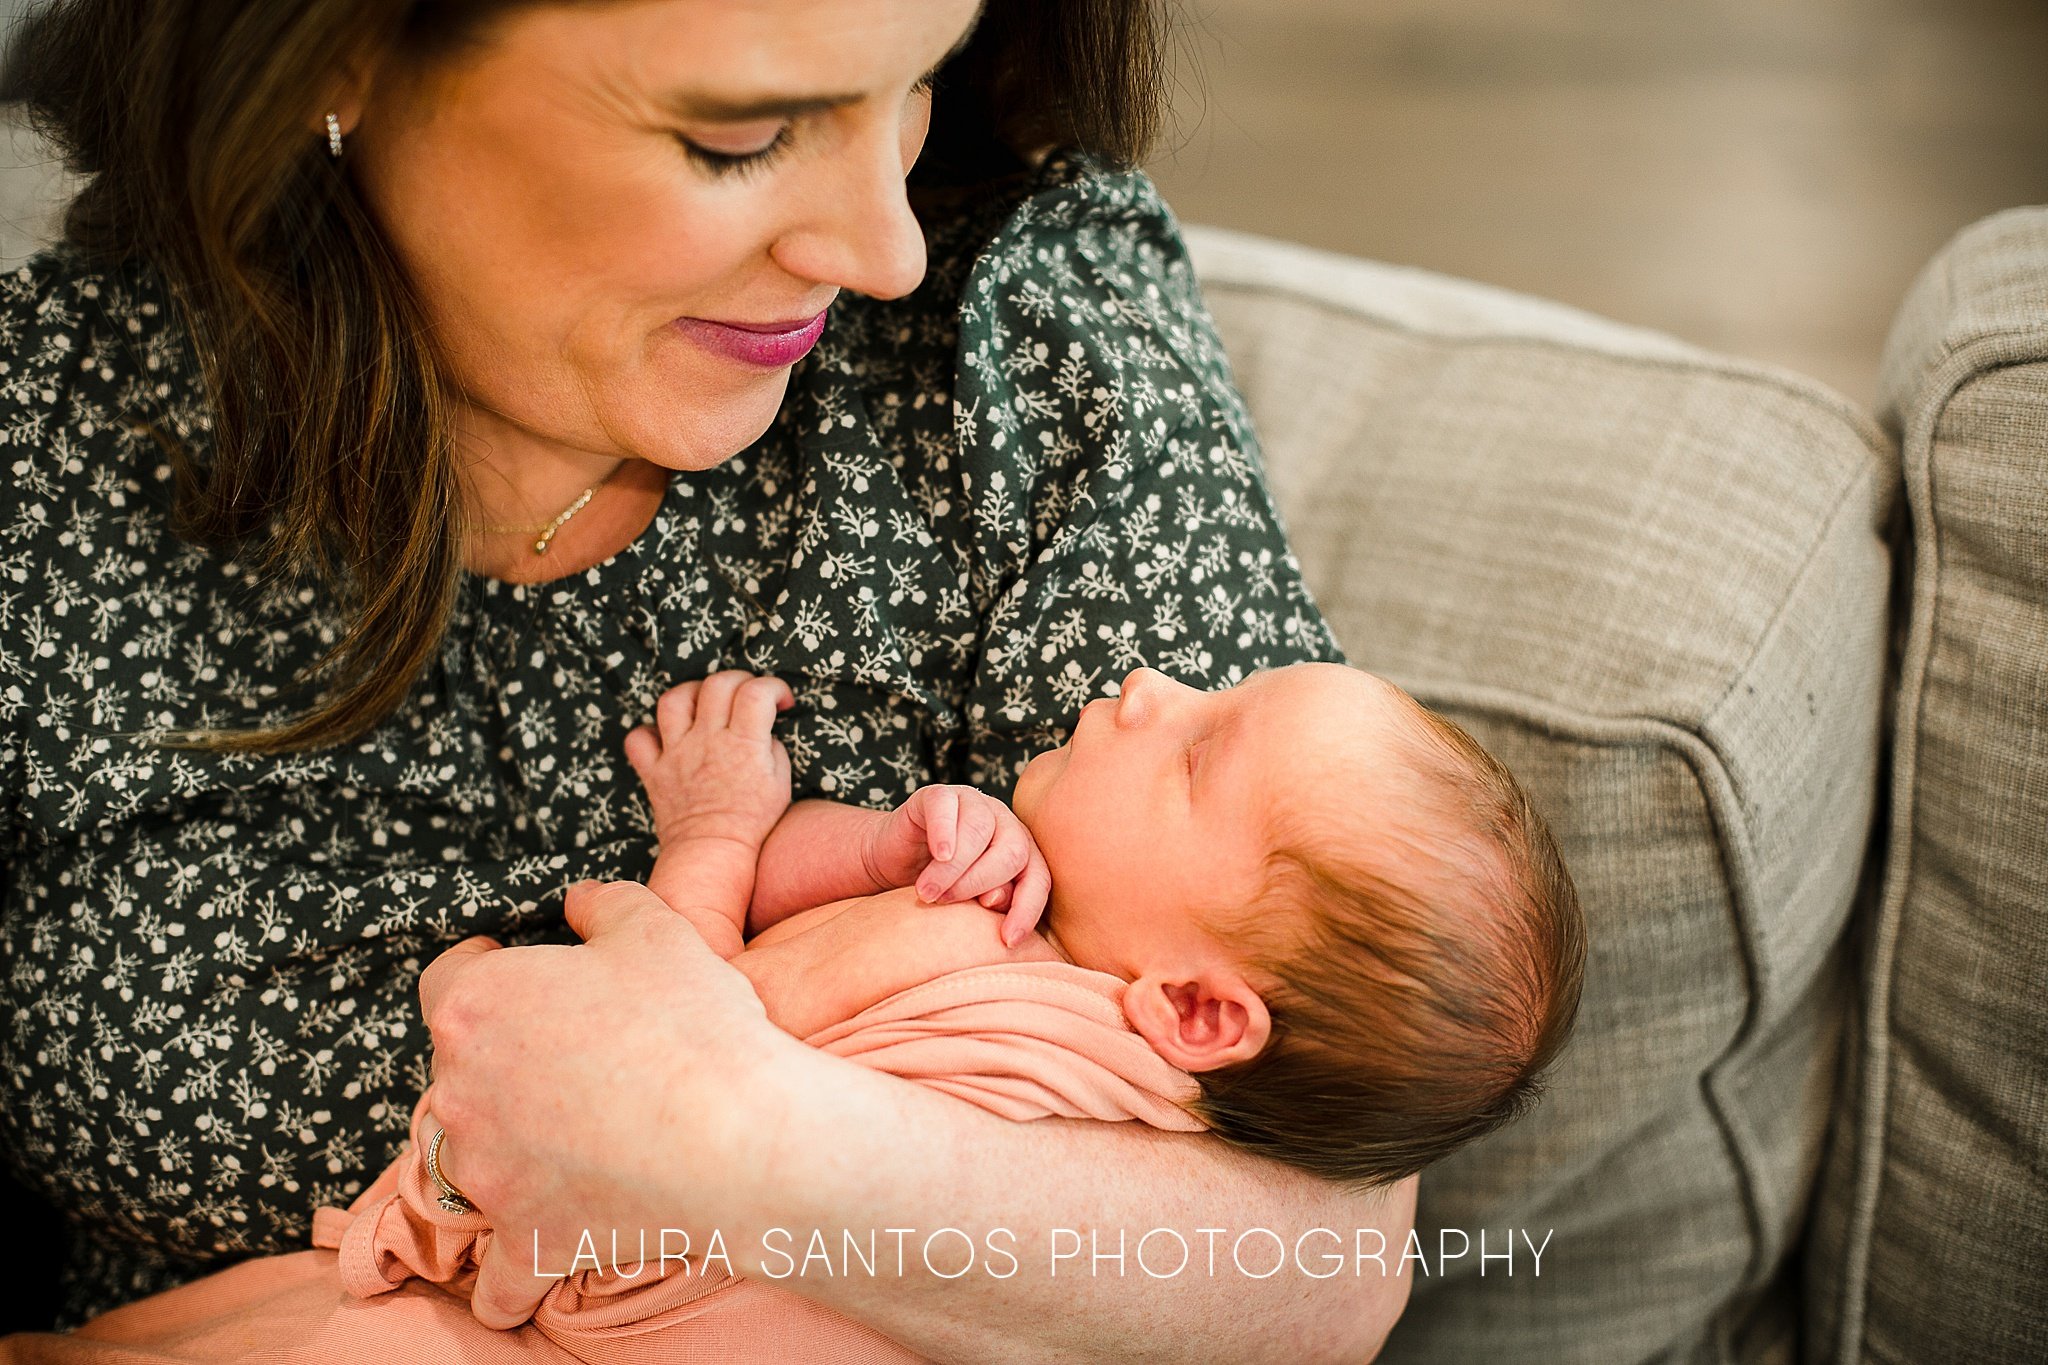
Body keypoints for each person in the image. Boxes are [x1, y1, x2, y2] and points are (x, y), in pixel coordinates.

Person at [0, 0, 1418, 1358]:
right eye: (742, 137)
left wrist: (718, 1133)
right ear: (340, 47)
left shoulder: (1014, 324)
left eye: (914, 78)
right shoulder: (46, 457)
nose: (885, 247)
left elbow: (1323, 1259)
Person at [0, 659, 1574, 1365]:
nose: (1150, 683)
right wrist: (893, 844)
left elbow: (667, 1022)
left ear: (1206, 1014)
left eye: (1195, 751)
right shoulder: (1058, 971)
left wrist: (712, 831)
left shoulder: (1024, 1020)